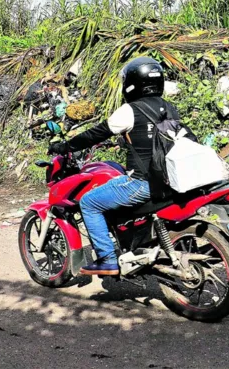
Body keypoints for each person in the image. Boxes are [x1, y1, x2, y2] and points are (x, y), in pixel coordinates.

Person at [48, 57, 181, 276]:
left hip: (143, 184)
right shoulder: (169, 108)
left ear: (132, 83)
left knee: (89, 202)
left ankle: (107, 259)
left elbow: (95, 134)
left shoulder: (130, 110)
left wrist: (65, 146)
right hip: (170, 180)